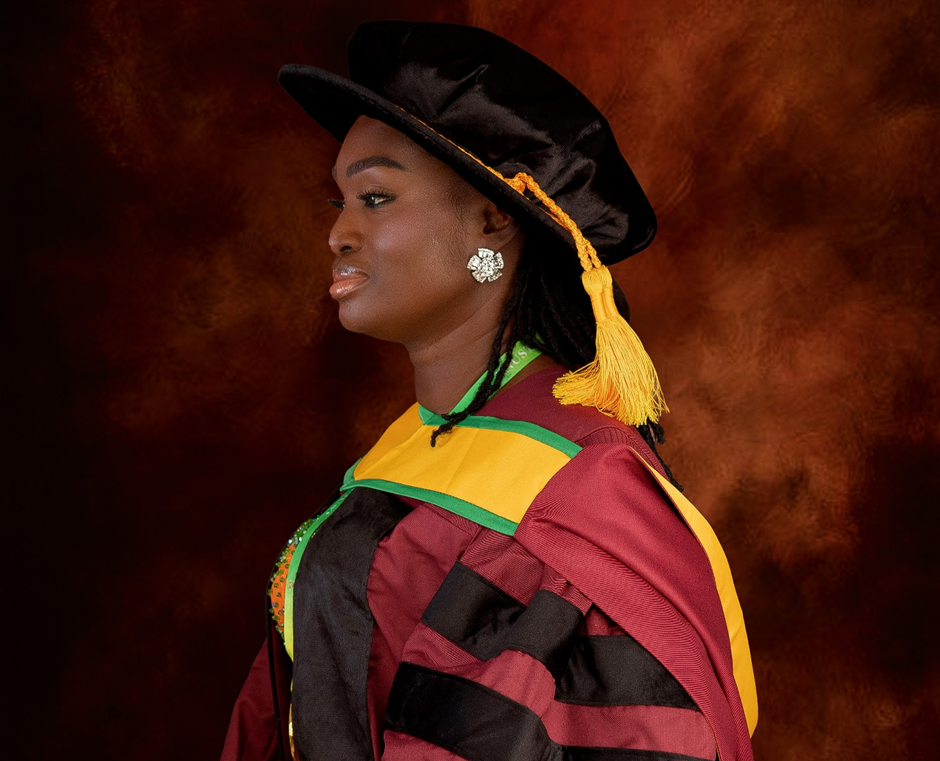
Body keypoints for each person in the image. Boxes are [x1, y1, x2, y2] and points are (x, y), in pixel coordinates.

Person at [222, 20, 758, 761]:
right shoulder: (420, 443)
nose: (338, 233)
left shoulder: (571, 498)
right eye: (337, 201)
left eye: (374, 198)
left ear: (492, 220)